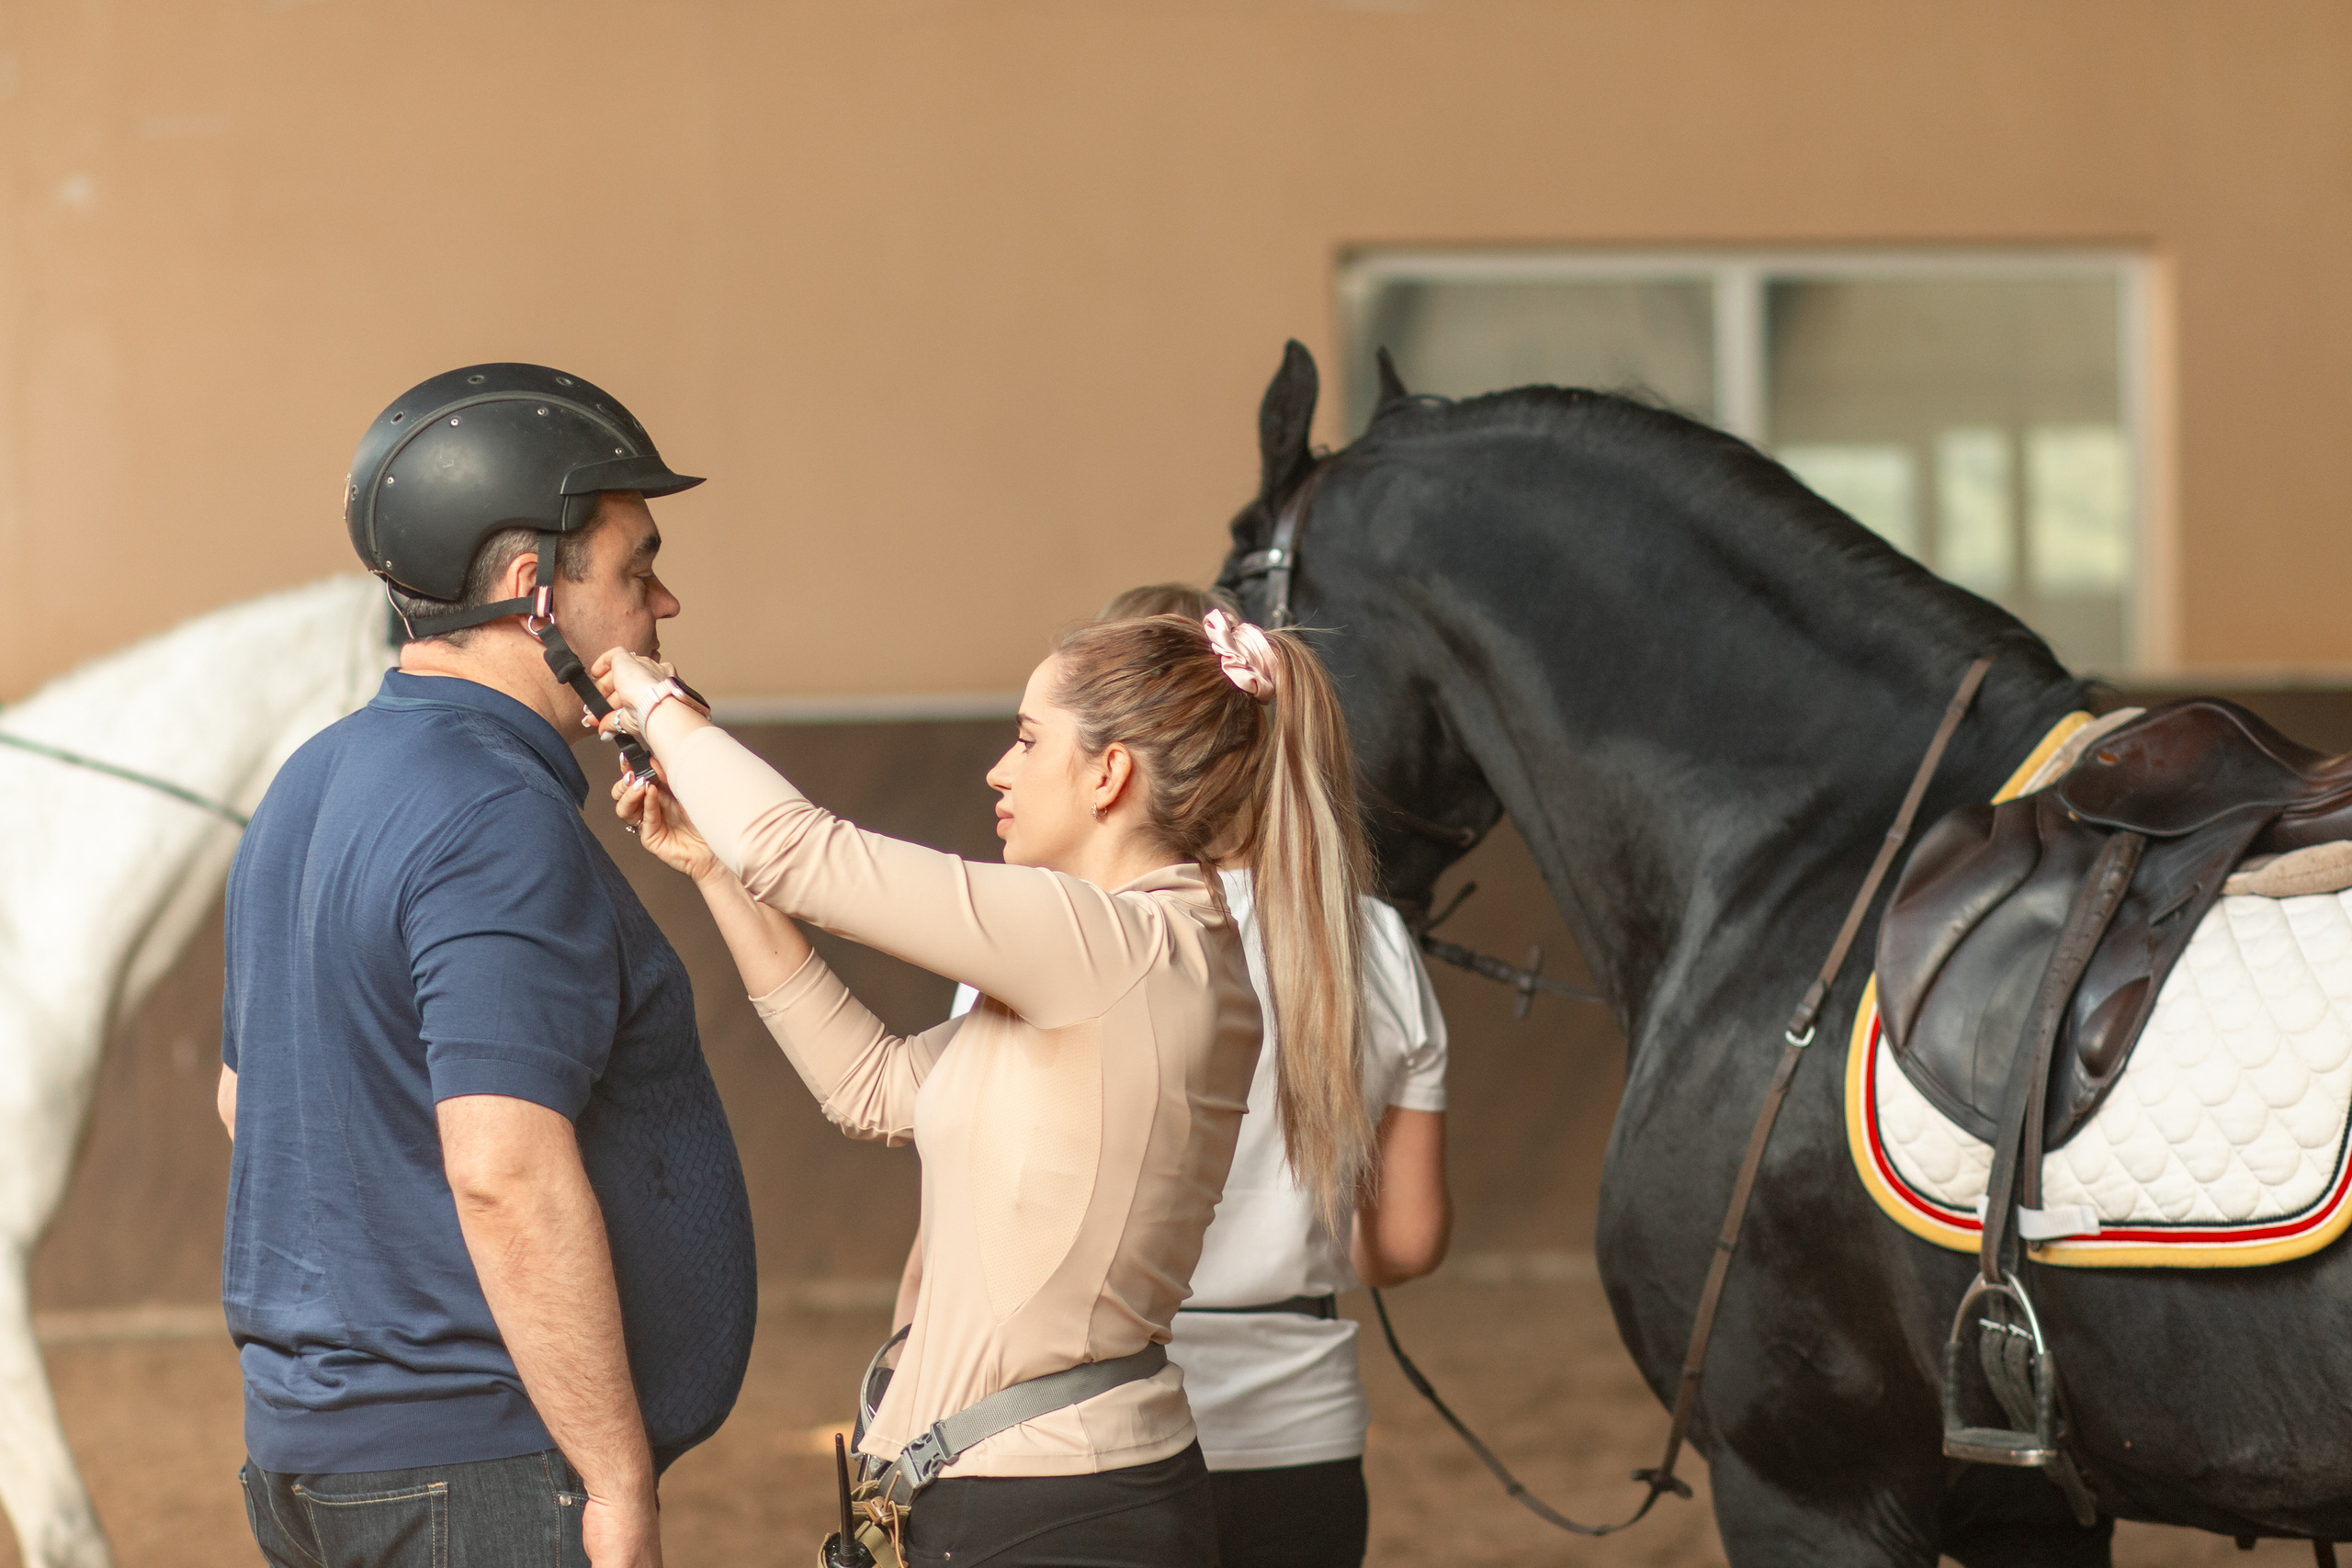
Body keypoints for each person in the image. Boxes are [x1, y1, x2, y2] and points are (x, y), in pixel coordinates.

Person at [589, 600, 1376, 1568]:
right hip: (1026, 1501)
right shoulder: (1121, 959)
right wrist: (712, 871)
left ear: (1109, 772)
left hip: (1044, 1513)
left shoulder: (1111, 945)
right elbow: (871, 1088)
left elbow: (801, 854)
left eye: (1026, 738)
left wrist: (653, 695)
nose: (998, 769)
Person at [219, 363, 756, 1568]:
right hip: (478, 1468)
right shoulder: (495, 816)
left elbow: (245, 1099)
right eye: (632, 568)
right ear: (534, 594)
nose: (663, 598)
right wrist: (616, 1482)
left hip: (315, 1456)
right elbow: (505, 1167)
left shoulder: (306, 782)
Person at [917, 584, 1453, 1568]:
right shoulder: (1374, 942)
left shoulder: (1047, 935)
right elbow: (1404, 1241)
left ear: (1119, 770)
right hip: (1300, 1436)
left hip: (1072, 1446)